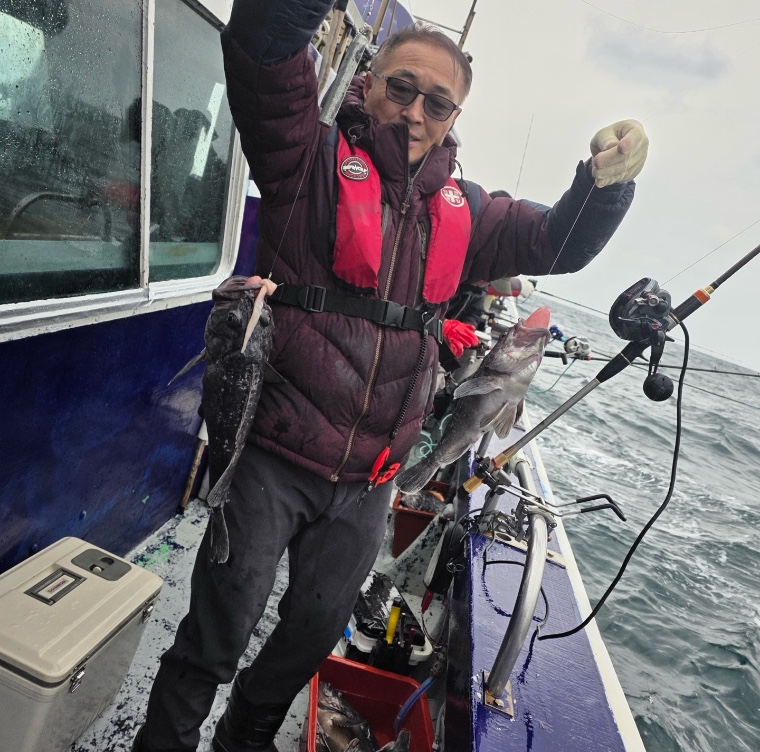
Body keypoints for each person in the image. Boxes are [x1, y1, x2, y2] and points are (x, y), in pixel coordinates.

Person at [134, 2, 649, 751]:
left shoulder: (469, 213)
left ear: (454, 118)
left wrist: (605, 186)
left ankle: (244, 736)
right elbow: (261, 51)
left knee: (310, 638)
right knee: (216, 632)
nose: (415, 111)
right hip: (273, 457)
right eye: (401, 88)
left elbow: (556, 242)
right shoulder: (304, 159)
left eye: (437, 102)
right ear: (370, 82)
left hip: (371, 481)